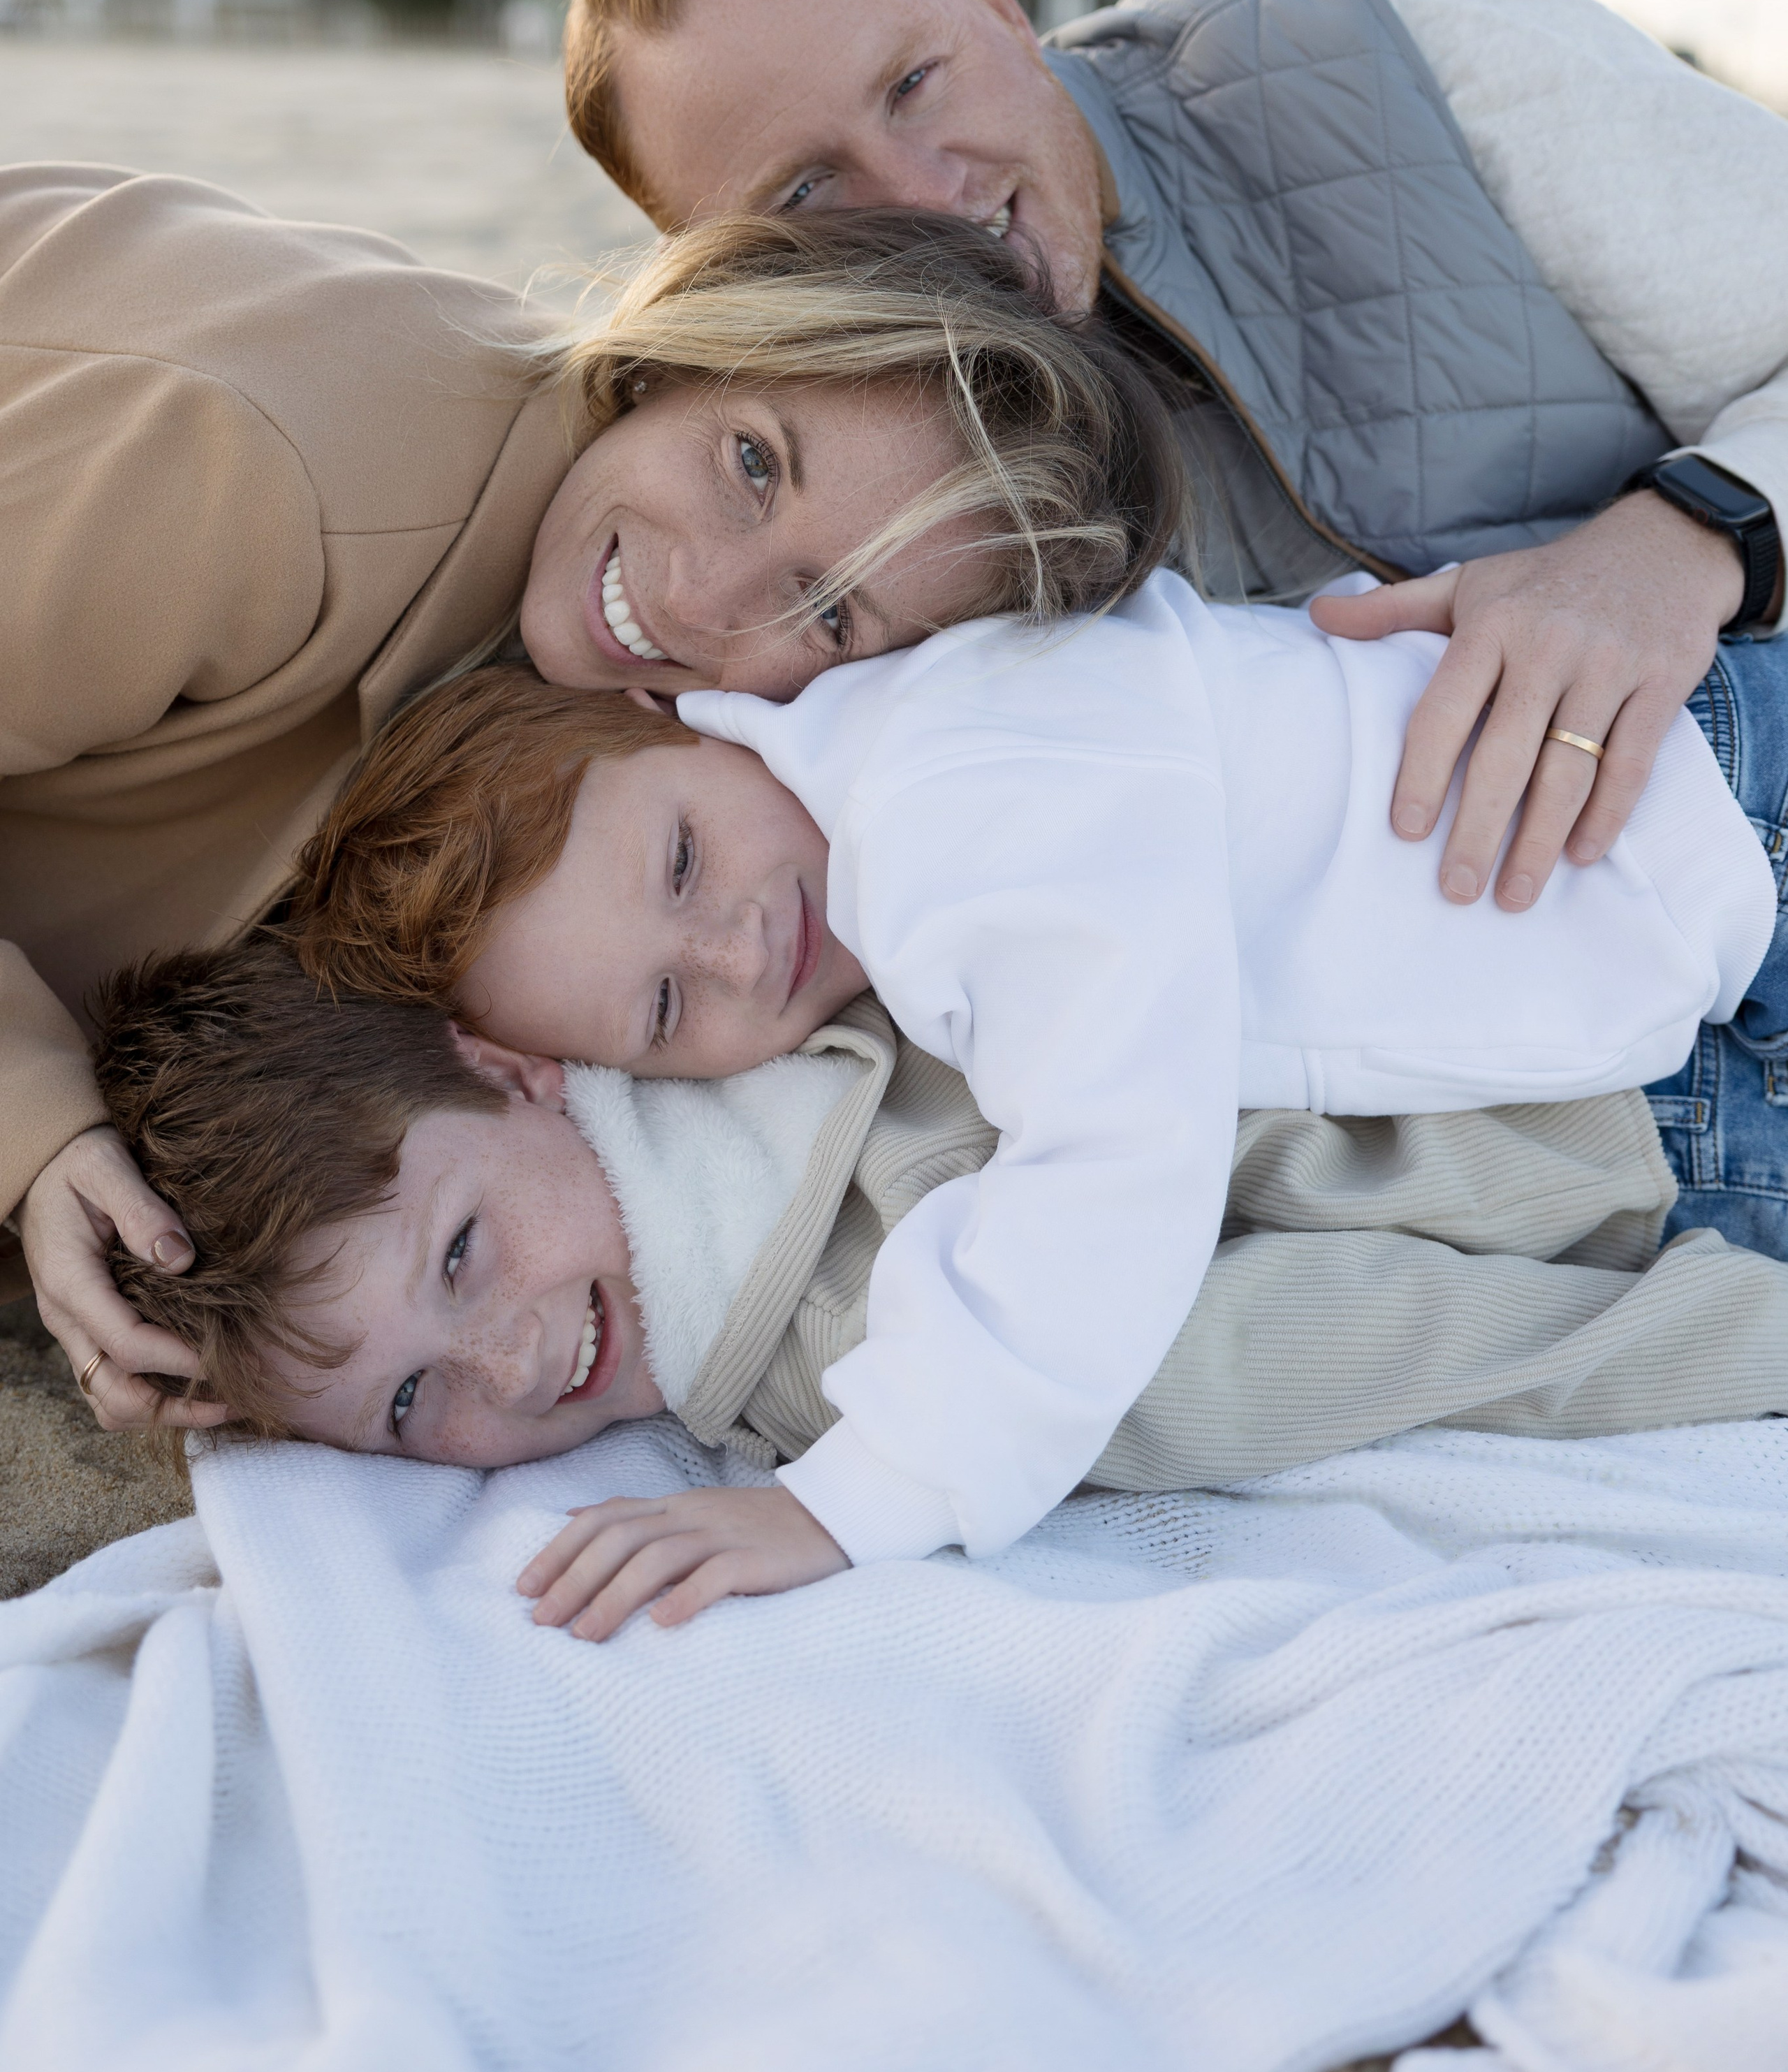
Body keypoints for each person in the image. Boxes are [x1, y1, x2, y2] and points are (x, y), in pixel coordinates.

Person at [275, 555, 1787, 1603]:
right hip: (1647, 895)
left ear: (664, 716)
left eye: (681, 857)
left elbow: (1115, 1155)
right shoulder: (861, 812)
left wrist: (853, 1500)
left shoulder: (933, 812)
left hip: (1693, 816)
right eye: (666, 1007)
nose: (739, 950)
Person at [1, 191, 1174, 1425]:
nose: (701, 595)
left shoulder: (651, 750)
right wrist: (31, 1126)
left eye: (827, 611)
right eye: (752, 463)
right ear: (687, 350)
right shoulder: (262, 472)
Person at [563, 0, 1788, 928]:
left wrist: (1681, 541)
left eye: (916, 83)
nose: (928, 199)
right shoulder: (781, 509)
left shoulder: (1381, 31)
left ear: (996, 0)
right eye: (809, 189)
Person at [89, 937, 1788, 1641]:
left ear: (500, 1063)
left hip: (1639, 1064)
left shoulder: (892, 1346)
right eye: (408, 1403)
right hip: (1648, 1052)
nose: (516, 1359)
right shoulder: (789, 1001)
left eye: (461, 1256)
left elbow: (1449, 1349)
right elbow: (1395, 1337)